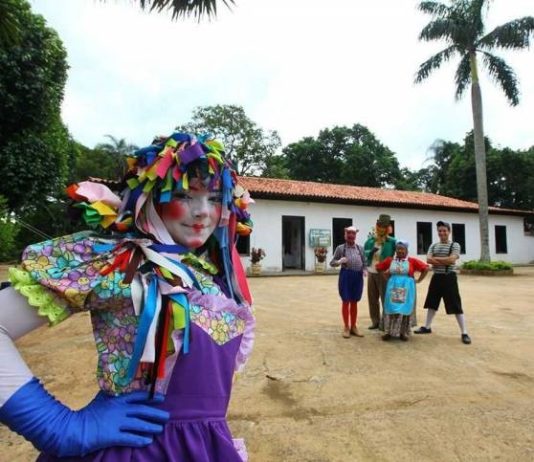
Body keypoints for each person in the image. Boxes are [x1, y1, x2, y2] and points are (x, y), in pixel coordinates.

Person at [0, 132, 255, 460]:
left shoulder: (212, 278)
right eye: (183, 194)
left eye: (215, 198)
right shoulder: (117, 261)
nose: (203, 212)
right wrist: (56, 426)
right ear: (150, 197)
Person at [414, 220, 472, 345]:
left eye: (444, 230)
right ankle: (427, 327)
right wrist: (445, 260)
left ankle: (464, 332)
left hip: (449, 277)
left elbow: (452, 260)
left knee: (456, 304)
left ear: (449, 231)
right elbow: (428, 260)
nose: (442, 233)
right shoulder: (433, 245)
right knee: (432, 302)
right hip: (437, 277)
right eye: (440, 231)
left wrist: (436, 259)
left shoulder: (455, 245)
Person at [376, 240, 428, 341]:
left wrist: (418, 280)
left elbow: (425, 268)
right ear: (395, 250)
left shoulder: (412, 261)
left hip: (406, 288)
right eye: (398, 249)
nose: (400, 251)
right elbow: (378, 267)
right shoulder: (390, 260)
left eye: (402, 249)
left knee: (403, 310)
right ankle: (388, 332)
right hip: (393, 287)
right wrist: (386, 278)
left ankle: (403, 332)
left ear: (406, 251)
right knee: (391, 309)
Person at [330, 226, 367, 338]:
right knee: (346, 301)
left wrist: (365, 270)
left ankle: (354, 326)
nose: (351, 236)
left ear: (355, 236)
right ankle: (346, 327)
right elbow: (332, 263)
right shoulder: (340, 248)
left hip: (358, 277)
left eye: (353, 234)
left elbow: (365, 262)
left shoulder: (360, 248)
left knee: (354, 301)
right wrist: (339, 261)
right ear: (345, 235)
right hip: (346, 276)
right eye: (349, 233)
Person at [363, 214, 396, 330]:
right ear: (377, 226)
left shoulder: (392, 241)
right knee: (372, 298)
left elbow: (397, 255)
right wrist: (371, 252)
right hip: (371, 271)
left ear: (387, 228)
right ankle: (375, 321)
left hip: (384, 273)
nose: (381, 228)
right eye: (380, 226)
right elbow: (364, 253)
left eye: (384, 226)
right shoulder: (370, 240)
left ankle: (385, 322)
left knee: (385, 298)